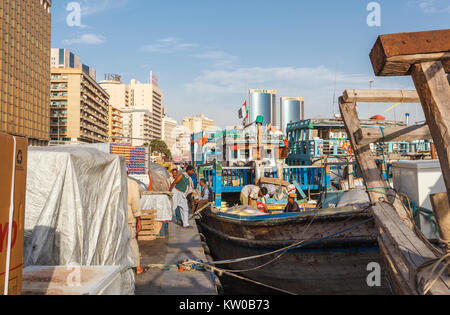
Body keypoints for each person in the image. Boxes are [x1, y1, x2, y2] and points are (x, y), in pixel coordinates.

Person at [127, 176, 145, 274]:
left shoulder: (111, 181)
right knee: (132, 242)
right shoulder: (132, 184)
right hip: (129, 218)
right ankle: (137, 267)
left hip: (114, 219)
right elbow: (135, 203)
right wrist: (139, 220)